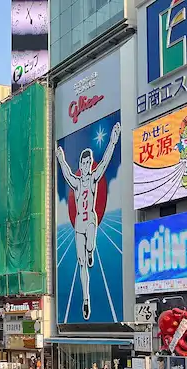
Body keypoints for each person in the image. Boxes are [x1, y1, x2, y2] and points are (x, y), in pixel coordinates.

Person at [55, 122, 121, 320]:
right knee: (82, 264)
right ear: (80, 166)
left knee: (90, 246)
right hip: (78, 226)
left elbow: (107, 161)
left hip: (91, 221)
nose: (85, 166)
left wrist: (113, 139)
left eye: (87, 163)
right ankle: (86, 299)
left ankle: (91, 250)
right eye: (83, 164)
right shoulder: (76, 183)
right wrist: (60, 158)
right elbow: (66, 172)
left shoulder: (93, 179)